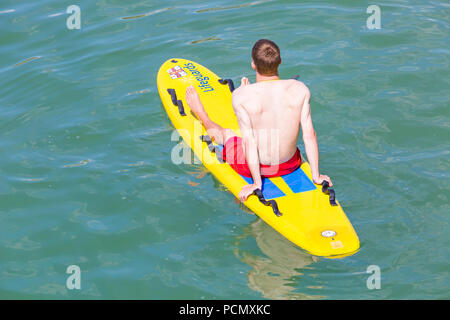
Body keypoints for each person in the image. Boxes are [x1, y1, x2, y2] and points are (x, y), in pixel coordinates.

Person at [185, 39, 332, 202]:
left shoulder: (240, 96)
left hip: (258, 168)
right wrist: (316, 175)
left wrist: (256, 183)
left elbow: (249, 142)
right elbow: (309, 135)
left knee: (226, 134)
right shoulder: (300, 89)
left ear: (253, 64)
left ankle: (200, 112)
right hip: (291, 164)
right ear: (280, 62)